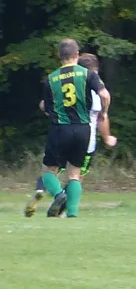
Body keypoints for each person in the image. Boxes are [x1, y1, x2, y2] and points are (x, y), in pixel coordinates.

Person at [24, 39, 110, 218]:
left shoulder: (51, 79)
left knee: (48, 171)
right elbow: (105, 95)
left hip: (60, 129)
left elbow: (46, 107)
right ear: (77, 55)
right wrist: (104, 112)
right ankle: (72, 214)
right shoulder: (87, 74)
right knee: (74, 174)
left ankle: (59, 195)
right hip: (83, 129)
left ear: (59, 56)